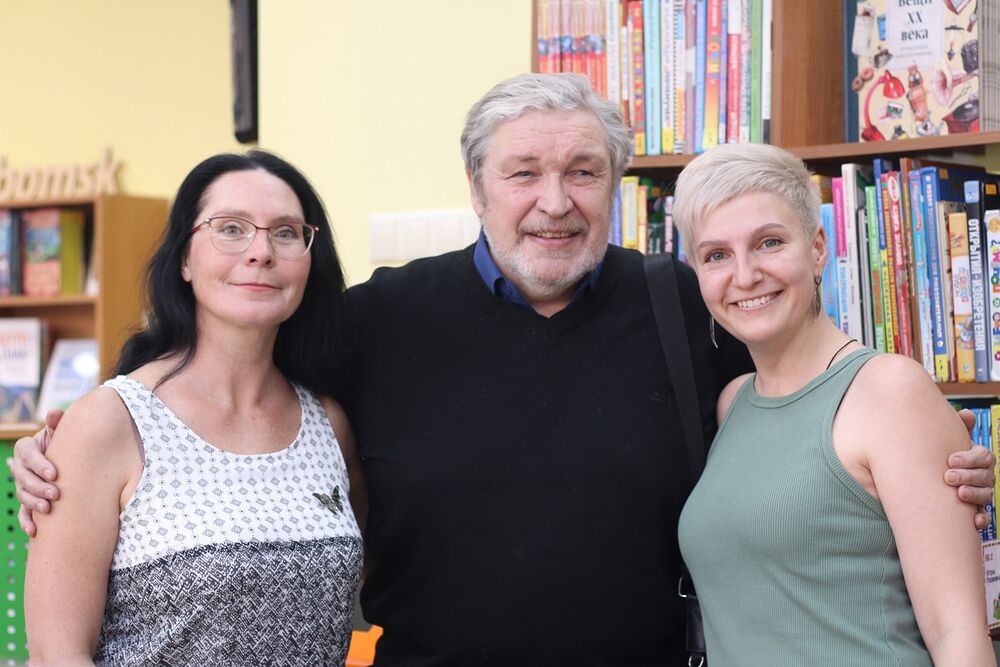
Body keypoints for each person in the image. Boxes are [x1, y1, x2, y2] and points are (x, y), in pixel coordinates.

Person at [13, 74, 996, 665]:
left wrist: (941, 462)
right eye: (523, 173)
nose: (553, 202)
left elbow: (810, 412)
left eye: (583, 173)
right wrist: (74, 444)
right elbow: (241, 380)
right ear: (476, 188)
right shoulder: (379, 319)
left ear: (617, 187)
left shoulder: (685, 305)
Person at [22, 150, 366, 666]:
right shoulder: (110, 422)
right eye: (230, 229)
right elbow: (57, 655)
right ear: (184, 259)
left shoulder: (328, 424)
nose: (260, 251)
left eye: (286, 233)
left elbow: (364, 595)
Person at [674, 143, 994, 665]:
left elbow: (957, 634)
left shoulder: (889, 390)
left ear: (818, 247)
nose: (745, 275)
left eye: (770, 242)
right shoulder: (733, 404)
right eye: (717, 255)